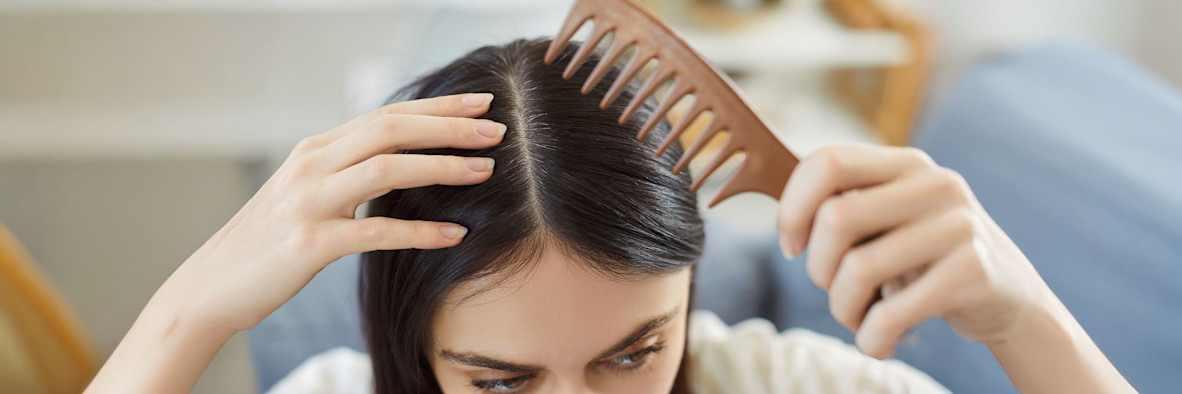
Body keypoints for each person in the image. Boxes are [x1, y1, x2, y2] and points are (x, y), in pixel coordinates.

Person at [84, 39, 1134, 394]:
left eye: (632, 356)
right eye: (502, 384)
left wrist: (1024, 318)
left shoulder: (784, 382)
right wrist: (185, 316)